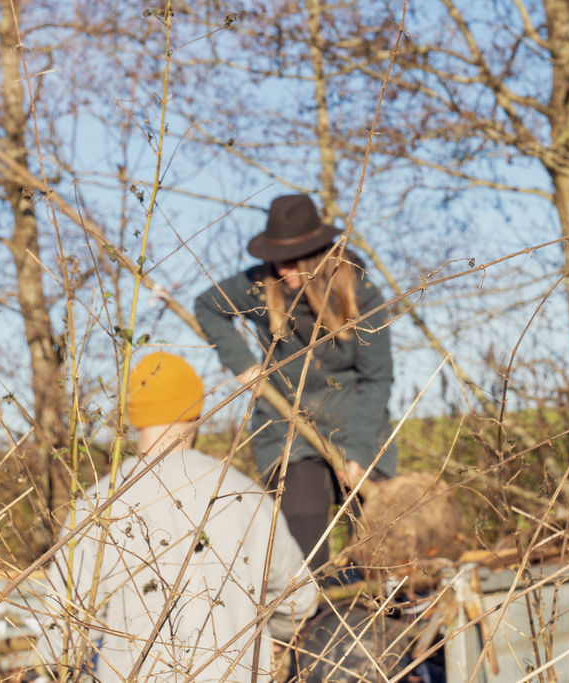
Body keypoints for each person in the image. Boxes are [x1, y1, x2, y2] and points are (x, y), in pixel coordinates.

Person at [35, 352, 317, 682]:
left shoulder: (95, 506)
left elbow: (60, 636)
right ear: (196, 407)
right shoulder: (247, 495)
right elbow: (298, 599)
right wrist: (274, 634)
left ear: (134, 411)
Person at [194, 193, 394, 575]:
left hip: (357, 421)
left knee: (380, 544)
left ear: (315, 255)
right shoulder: (259, 283)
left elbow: (377, 377)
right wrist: (244, 365)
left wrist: (359, 451)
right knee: (301, 541)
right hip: (287, 427)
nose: (282, 270)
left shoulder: (361, 292)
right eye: (276, 260)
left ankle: (386, 621)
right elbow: (208, 305)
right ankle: (306, 623)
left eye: (292, 261)